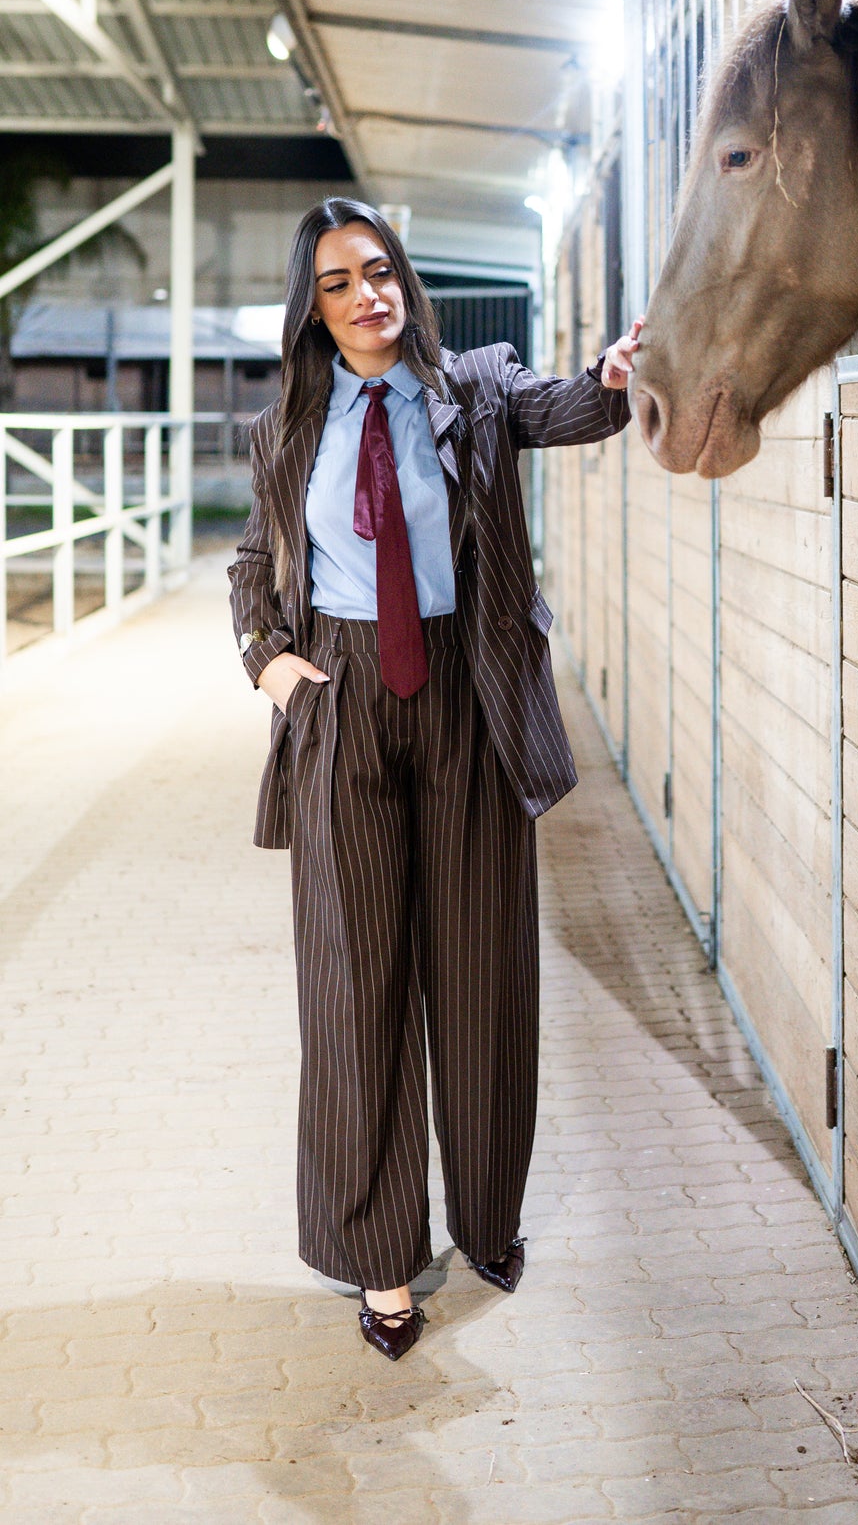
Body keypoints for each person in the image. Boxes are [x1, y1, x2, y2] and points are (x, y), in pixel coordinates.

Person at [229, 196, 638, 1360]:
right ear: (313, 313)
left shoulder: (478, 388)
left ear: (403, 278)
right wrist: (274, 669)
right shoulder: (287, 430)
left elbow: (577, 409)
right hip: (343, 707)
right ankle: (378, 1258)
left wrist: (613, 375)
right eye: (337, 284)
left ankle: (490, 1219)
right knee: (356, 990)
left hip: (467, 694)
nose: (367, 295)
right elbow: (255, 563)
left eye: (378, 270)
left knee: (480, 972)